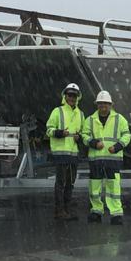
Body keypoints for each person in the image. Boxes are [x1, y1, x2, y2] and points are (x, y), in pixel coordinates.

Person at [80, 90, 131, 224]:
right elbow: (84, 135)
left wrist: (118, 146)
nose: (103, 106)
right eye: (101, 103)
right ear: (97, 104)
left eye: (106, 103)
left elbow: (127, 135)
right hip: (96, 159)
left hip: (113, 159)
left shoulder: (120, 119)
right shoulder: (89, 120)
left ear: (111, 105)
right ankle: (96, 211)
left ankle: (116, 214)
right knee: (94, 187)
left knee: (113, 187)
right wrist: (94, 143)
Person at [45, 82, 84, 221]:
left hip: (73, 154)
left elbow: (83, 132)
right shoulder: (57, 111)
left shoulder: (81, 114)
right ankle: (59, 211)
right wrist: (59, 133)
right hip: (61, 153)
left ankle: (67, 210)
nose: (72, 98)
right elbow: (49, 130)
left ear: (78, 97)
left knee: (70, 183)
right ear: (65, 96)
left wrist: (80, 138)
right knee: (60, 183)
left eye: (74, 95)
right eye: (70, 95)